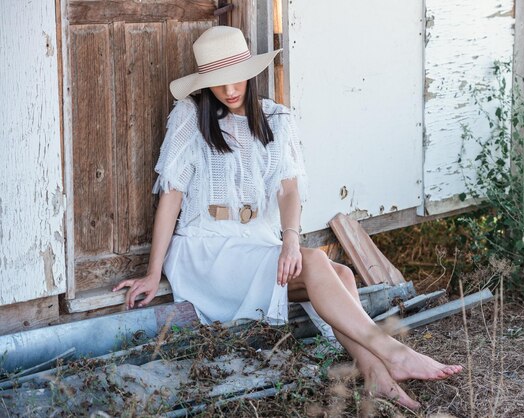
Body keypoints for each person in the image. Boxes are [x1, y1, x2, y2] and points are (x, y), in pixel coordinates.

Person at [113, 26, 462, 409]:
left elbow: (289, 190)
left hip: (256, 244)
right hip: (206, 248)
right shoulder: (189, 117)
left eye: (236, 79)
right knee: (317, 263)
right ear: (204, 84)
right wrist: (152, 271)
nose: (229, 90)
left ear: (250, 72)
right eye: (217, 83)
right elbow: (172, 197)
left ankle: (376, 375)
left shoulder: (276, 119)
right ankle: (391, 352)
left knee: (341, 274)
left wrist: (291, 239)